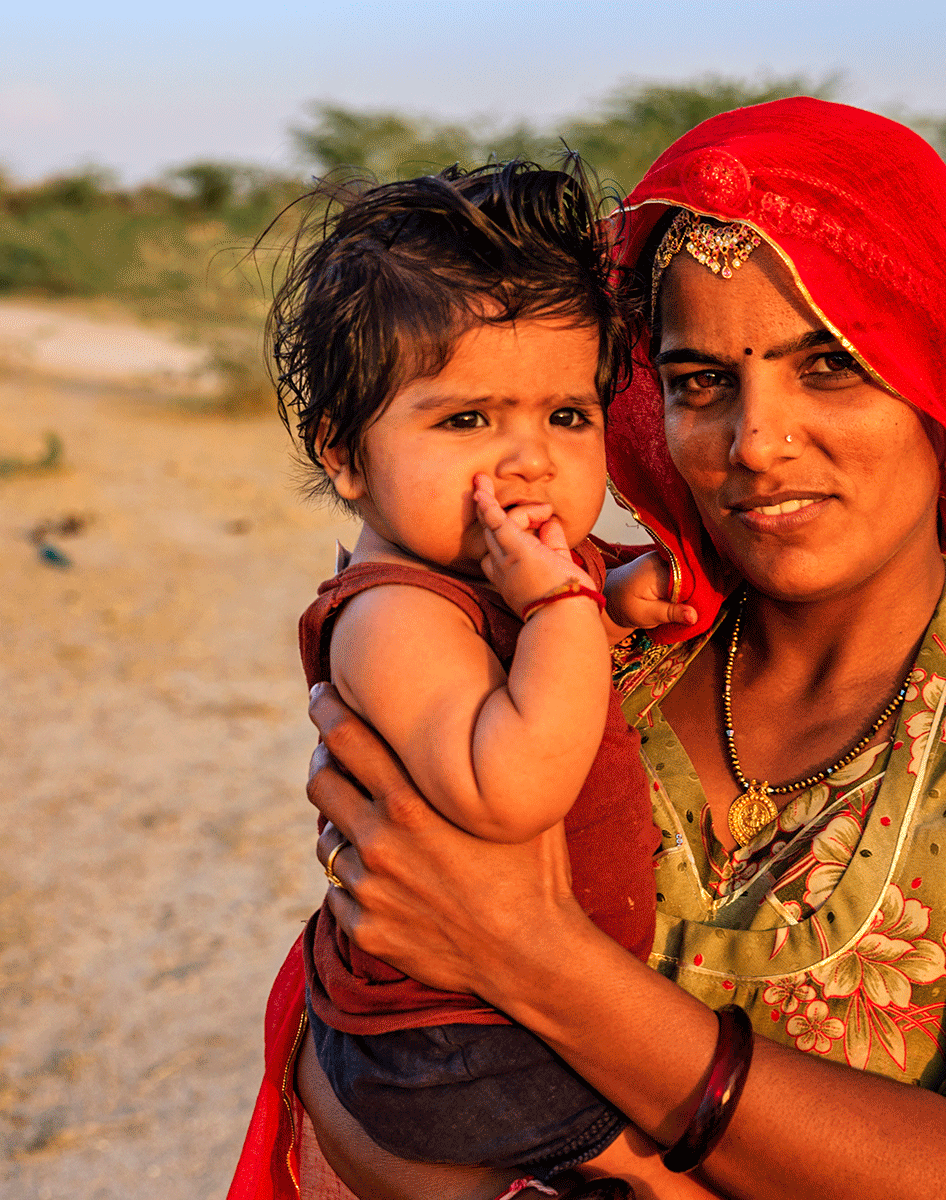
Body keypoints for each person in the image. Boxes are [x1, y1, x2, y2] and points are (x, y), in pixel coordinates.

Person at [230, 98, 946, 1200]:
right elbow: (365, 1029)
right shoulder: (581, 634)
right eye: (700, 381)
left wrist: (537, 957)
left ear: (938, 378)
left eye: (832, 366)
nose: (757, 442)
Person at [262, 161, 698, 1192]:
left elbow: (571, 576)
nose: (529, 461)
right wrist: (566, 612)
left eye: (566, 416)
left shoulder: (486, 557)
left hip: (511, 999)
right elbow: (511, 788)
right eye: (466, 421)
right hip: (451, 1040)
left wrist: (615, 585)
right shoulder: (394, 613)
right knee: (631, 1157)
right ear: (346, 456)